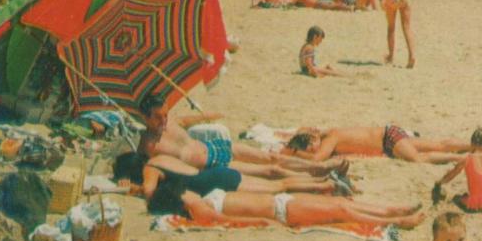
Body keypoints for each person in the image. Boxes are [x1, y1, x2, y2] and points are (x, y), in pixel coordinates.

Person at [138, 93, 345, 177]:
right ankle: (315, 176)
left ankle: (318, 167)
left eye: (165, 114)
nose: (164, 120)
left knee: (270, 157)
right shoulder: (147, 146)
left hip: (217, 147)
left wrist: (211, 115)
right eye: (158, 117)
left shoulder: (171, 121)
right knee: (268, 171)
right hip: (210, 164)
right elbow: (148, 170)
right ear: (145, 118)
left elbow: (187, 120)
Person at [147, 177, 426, 229]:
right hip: (280, 211)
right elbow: (223, 221)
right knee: (341, 211)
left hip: (281, 201)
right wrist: (261, 221)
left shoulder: (195, 200)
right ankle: (397, 221)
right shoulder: (193, 206)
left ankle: (391, 209)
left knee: (342, 202)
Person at [114, 151, 352, 200]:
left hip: (214, 182)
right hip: (216, 173)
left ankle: (324, 186)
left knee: (278, 187)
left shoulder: (150, 170)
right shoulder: (159, 158)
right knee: (278, 182)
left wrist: (131, 189)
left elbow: (149, 191)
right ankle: (321, 181)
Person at [284, 127, 470, 165]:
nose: (313, 151)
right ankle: (473, 145)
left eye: (310, 148)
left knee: (419, 159)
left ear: (312, 141)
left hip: (388, 139)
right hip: (390, 137)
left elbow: (318, 159)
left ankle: (462, 157)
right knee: (437, 145)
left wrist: (294, 154)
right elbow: (303, 129)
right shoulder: (329, 132)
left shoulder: (330, 138)